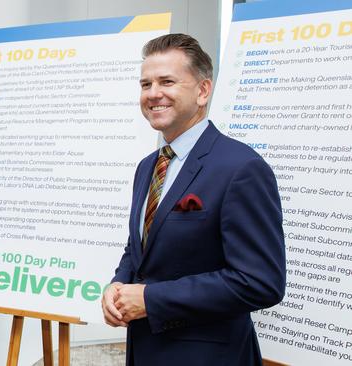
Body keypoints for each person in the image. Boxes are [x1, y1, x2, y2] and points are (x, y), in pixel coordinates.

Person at [101, 34, 286, 365]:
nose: (153, 93)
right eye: (146, 84)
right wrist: (117, 285)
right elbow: (140, 247)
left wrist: (151, 299)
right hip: (145, 352)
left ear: (202, 91)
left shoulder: (241, 168)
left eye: (167, 81)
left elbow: (260, 282)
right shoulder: (149, 166)